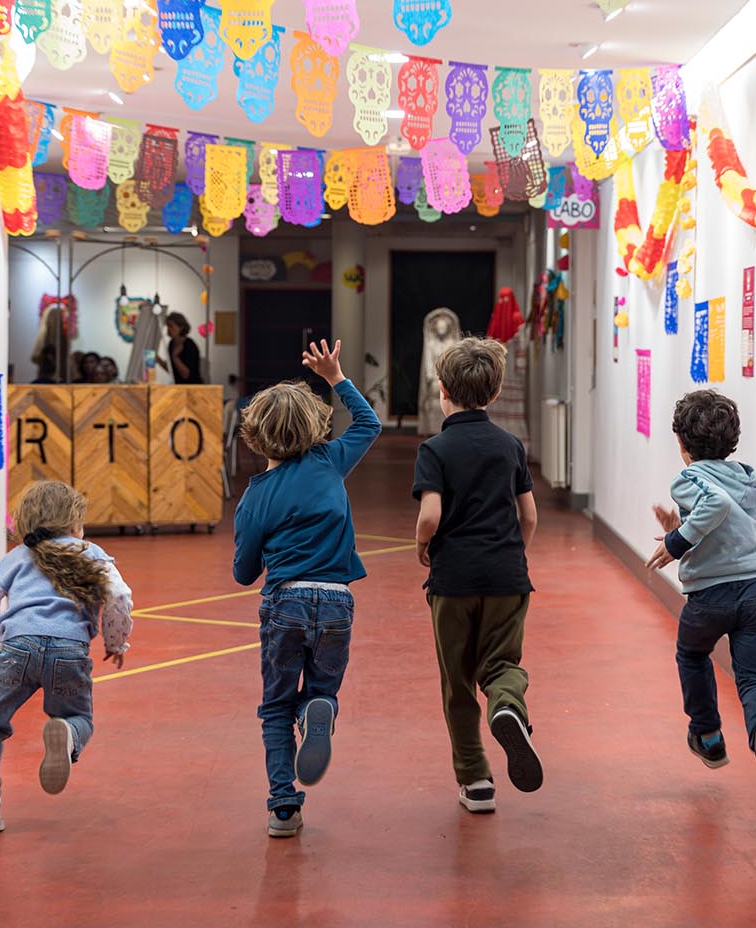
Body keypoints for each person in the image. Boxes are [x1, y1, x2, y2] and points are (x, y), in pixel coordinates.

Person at [233, 339, 381, 838]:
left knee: (275, 705)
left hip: (285, 603)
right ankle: (322, 708)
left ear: (255, 437)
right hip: (337, 600)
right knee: (321, 687)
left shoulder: (255, 498)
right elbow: (369, 425)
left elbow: (243, 573)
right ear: (315, 426)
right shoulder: (329, 460)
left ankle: (283, 808)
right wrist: (336, 378)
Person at [645, 391, 756, 810]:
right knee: (754, 679)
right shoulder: (746, 478)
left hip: (711, 596)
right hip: (755, 592)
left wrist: (675, 542)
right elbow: (725, 523)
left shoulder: (689, 477)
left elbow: (716, 504)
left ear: (682, 443)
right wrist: (680, 525)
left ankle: (708, 735)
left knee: (692, 655)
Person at [413, 337, 541, 814]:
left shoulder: (435, 449)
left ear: (443, 390)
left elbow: (430, 515)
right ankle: (507, 704)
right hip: (507, 577)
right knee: (502, 661)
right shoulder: (510, 446)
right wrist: (513, 555)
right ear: (495, 391)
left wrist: (422, 544)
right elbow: (529, 516)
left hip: (454, 580)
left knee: (458, 682)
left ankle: (476, 780)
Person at [0, 481, 134, 833]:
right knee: (79, 716)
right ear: (73, 524)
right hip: (70, 651)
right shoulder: (92, 554)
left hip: (18, 649)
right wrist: (115, 642)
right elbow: (118, 596)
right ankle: (67, 733)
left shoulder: (14, 559)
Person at [165, 312, 204, 384]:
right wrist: (157, 359)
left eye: (171, 326)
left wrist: (175, 357)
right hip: (179, 386)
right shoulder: (171, 343)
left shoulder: (189, 345)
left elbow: (186, 375)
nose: (168, 329)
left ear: (181, 327)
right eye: (167, 326)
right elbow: (171, 369)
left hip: (192, 387)